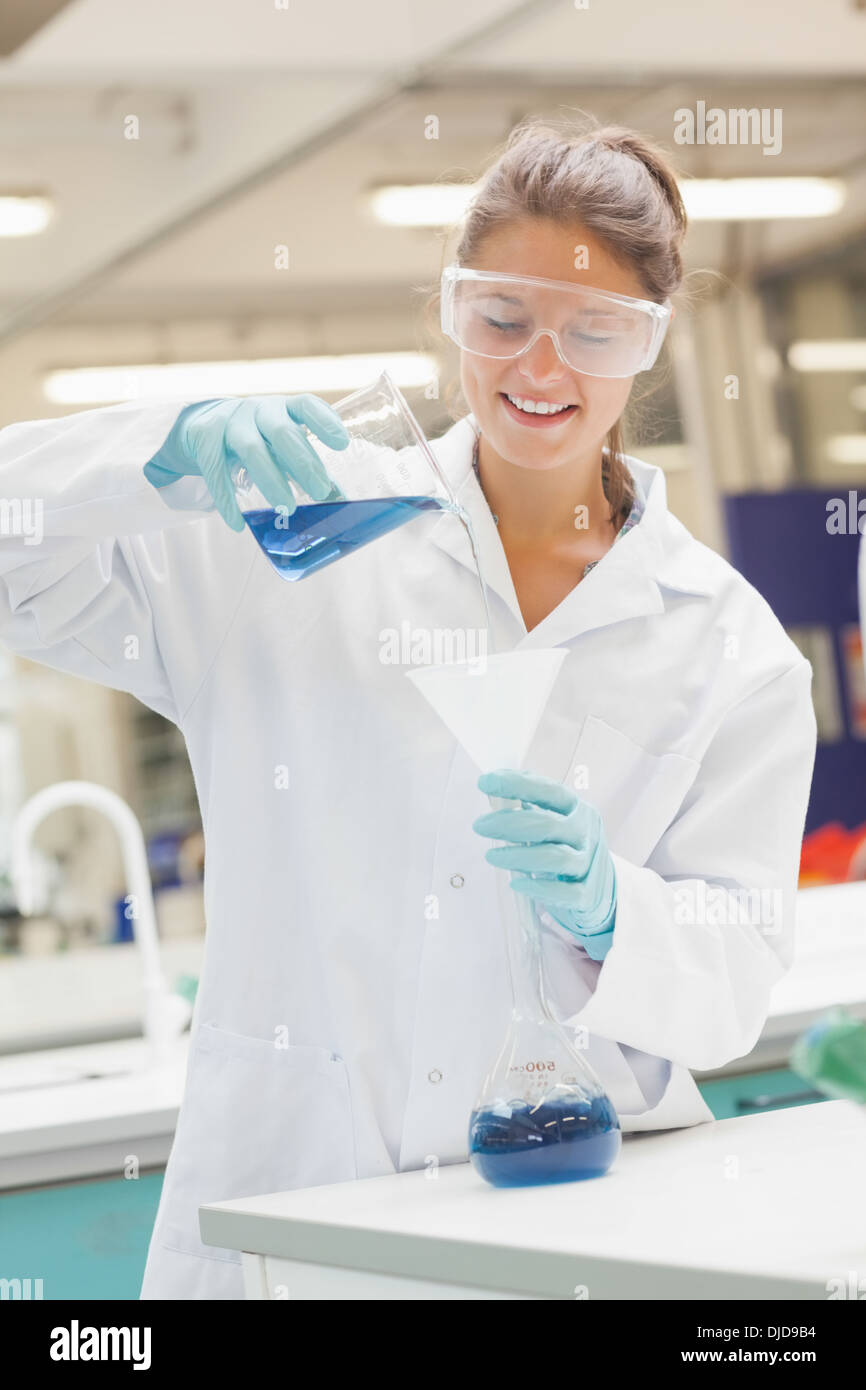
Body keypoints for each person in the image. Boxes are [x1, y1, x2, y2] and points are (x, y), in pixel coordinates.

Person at [0, 117, 816, 1301]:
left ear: (649, 341)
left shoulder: (721, 640)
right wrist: (154, 462)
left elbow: (732, 985)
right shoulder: (293, 534)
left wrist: (613, 914)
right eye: (501, 319)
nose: (539, 369)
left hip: (573, 1230)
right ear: (448, 313)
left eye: (592, 330)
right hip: (285, 1219)